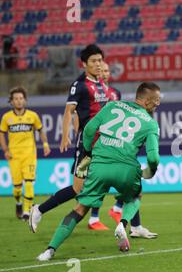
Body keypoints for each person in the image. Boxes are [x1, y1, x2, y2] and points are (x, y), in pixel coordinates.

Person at [36, 82, 161, 261]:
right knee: (135, 196)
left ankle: (49, 250)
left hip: (99, 165)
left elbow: (88, 130)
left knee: (79, 209)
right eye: (156, 100)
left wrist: (87, 152)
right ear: (147, 101)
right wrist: (150, 171)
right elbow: (154, 158)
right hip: (125, 168)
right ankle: (123, 223)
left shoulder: (112, 105)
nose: (158, 104)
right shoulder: (150, 124)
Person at [29, 44, 116, 232]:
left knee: (101, 183)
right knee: (78, 189)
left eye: (100, 60)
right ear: (83, 64)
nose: (98, 64)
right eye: (93, 61)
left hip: (103, 145)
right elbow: (69, 111)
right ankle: (39, 210)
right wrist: (65, 135)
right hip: (87, 145)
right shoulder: (80, 85)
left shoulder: (102, 85)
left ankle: (116, 219)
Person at [99, 62, 158, 239]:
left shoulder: (115, 94)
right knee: (84, 192)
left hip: (115, 147)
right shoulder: (90, 91)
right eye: (102, 70)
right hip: (106, 145)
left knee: (132, 189)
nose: (104, 73)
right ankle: (108, 217)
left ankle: (134, 224)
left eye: (107, 70)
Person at [0, 86, 51, 220]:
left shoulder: (32, 116)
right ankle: (18, 202)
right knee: (17, 187)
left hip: (29, 154)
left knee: (28, 182)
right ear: (11, 101)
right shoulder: (7, 118)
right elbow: (1, 134)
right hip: (14, 156)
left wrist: (45, 144)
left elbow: (40, 130)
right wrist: (5, 150)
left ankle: (27, 211)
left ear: (25, 100)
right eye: (16, 99)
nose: (18, 101)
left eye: (21, 98)